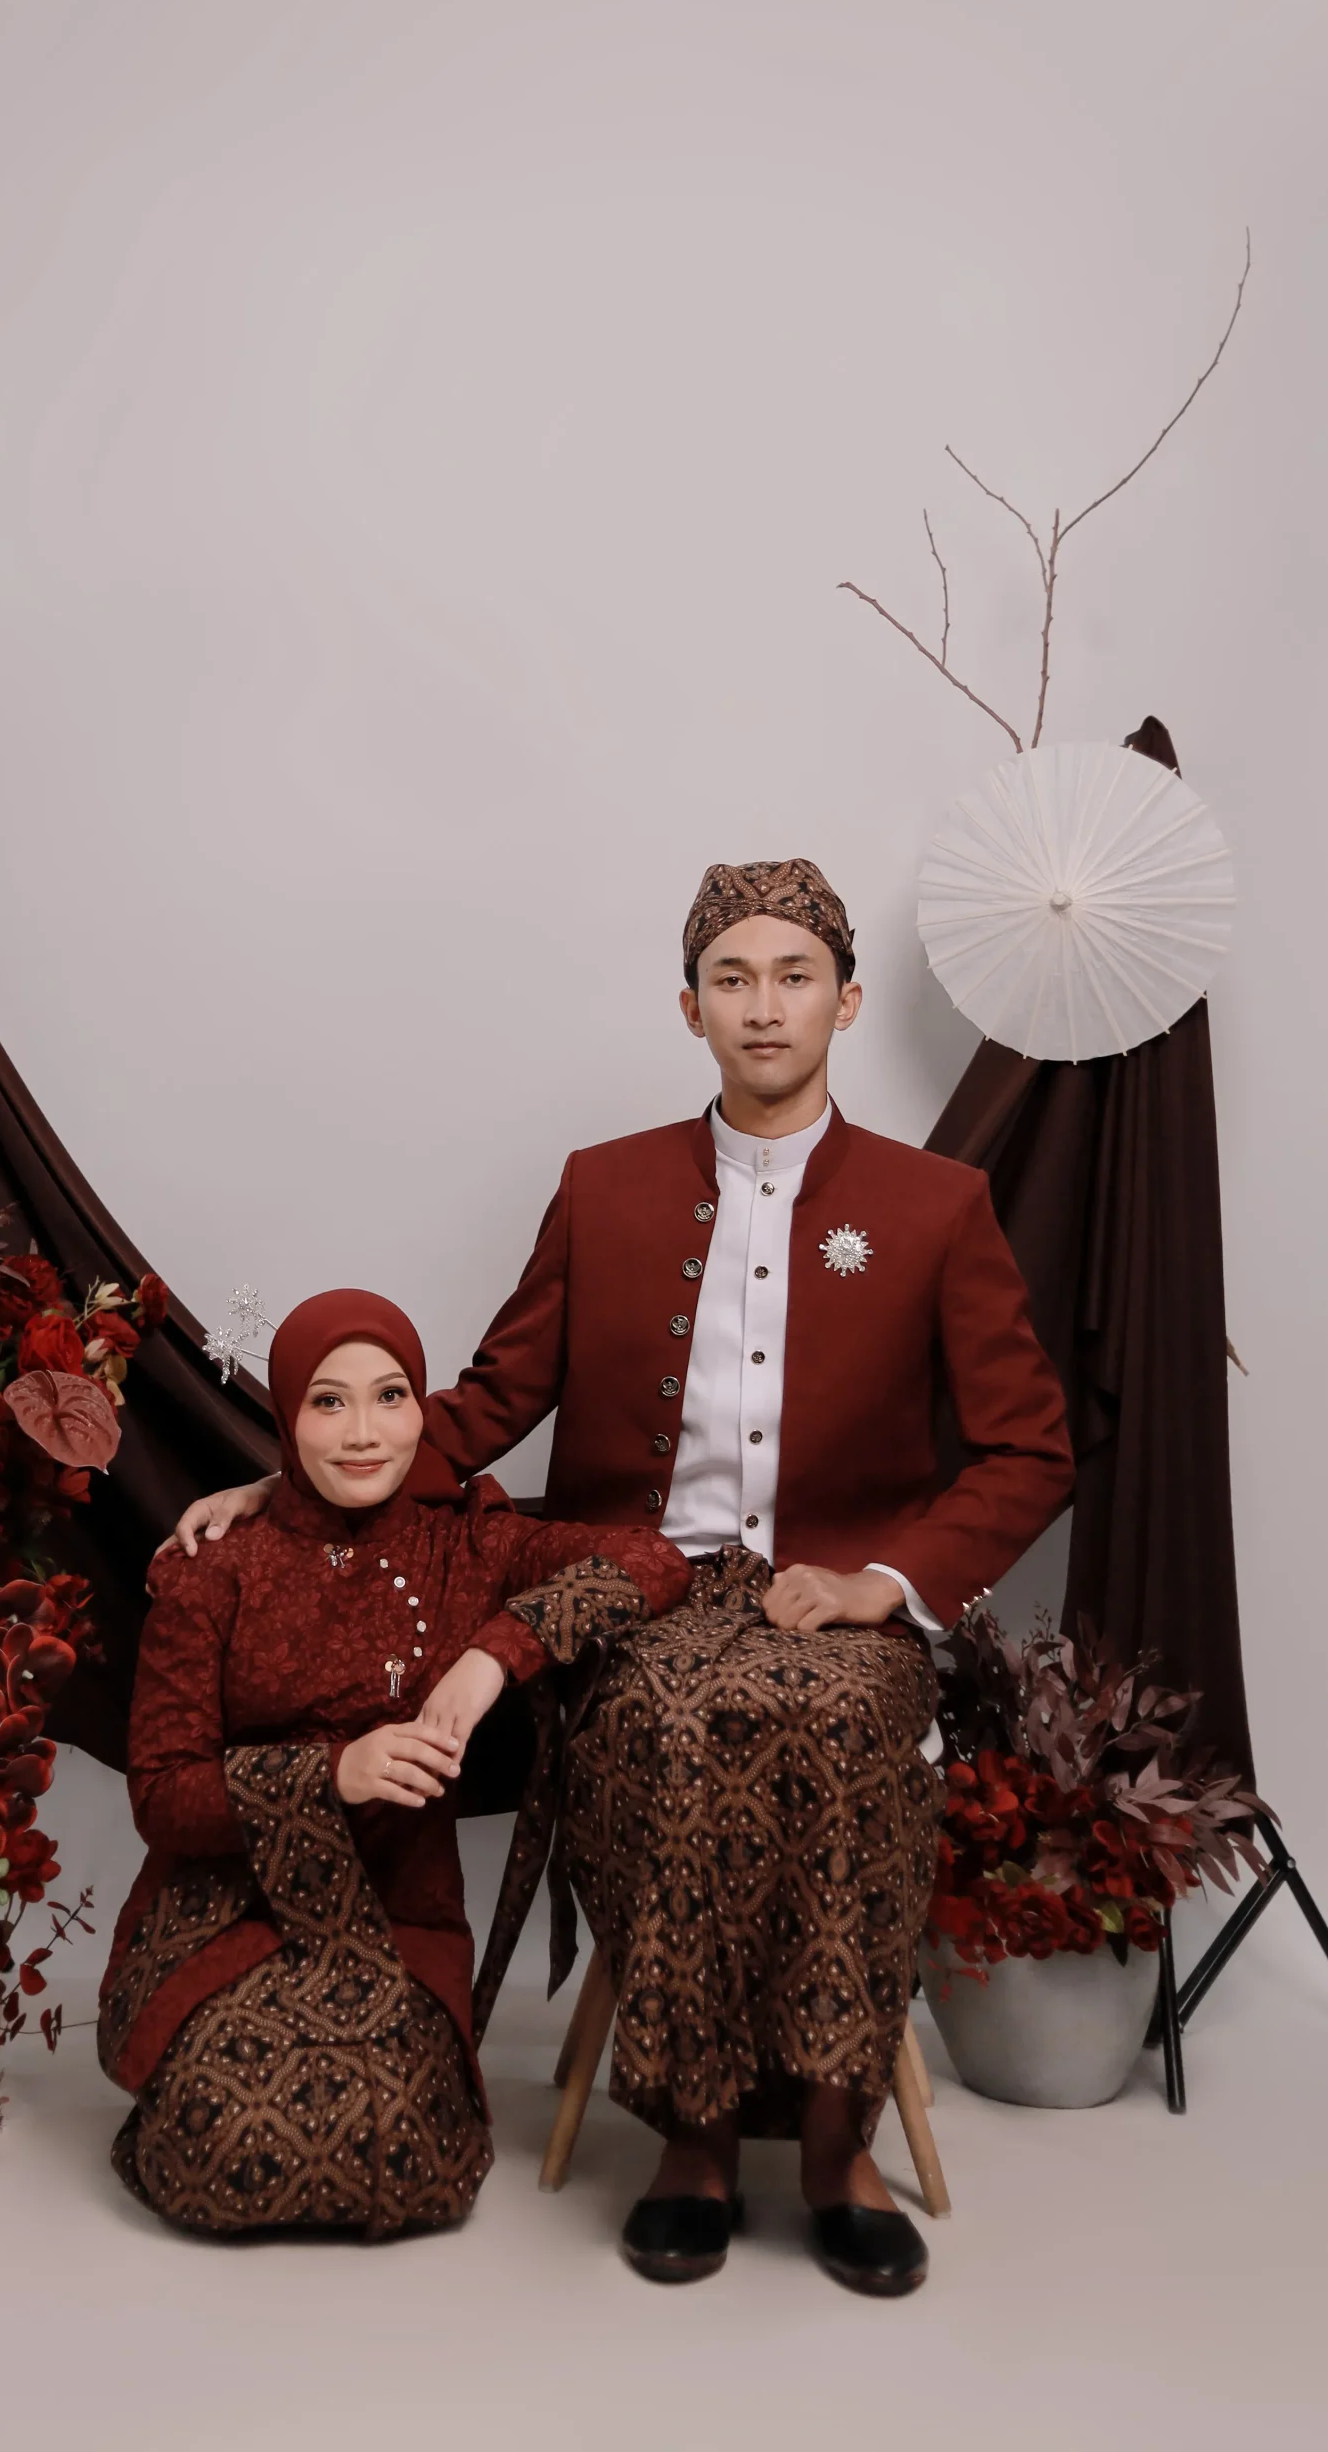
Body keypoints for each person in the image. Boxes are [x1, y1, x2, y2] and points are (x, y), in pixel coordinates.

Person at [167, 859, 1073, 2293]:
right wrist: (292, 1481)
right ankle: (692, 2139)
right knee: (667, 1726)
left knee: (841, 1724)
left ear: (844, 1002)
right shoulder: (605, 1188)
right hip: (634, 1588)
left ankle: (832, 2143)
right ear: (687, 1006)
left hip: (832, 1600)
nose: (762, 1006)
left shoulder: (935, 1204)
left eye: (792, 978)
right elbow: (486, 1401)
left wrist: (883, 1581)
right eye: (731, 979)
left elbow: (1029, 1449)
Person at [100, 1286, 688, 2240]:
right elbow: (162, 1798)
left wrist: (493, 1654)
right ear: (287, 1419)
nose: (364, 1433)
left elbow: (652, 1561)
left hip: (397, 1910)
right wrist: (334, 1773)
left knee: (405, 2146)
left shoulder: (469, 1545)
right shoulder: (215, 1569)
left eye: (390, 1397)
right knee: (225, 2142)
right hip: (229, 1913)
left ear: (422, 1407)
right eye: (327, 1402)